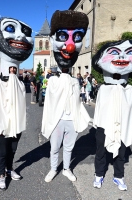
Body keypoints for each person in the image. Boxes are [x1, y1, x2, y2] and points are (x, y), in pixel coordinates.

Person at [0, 17, 34, 191]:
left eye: (14, 69)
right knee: (2, 153)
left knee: (12, 151)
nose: (12, 70)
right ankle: (1, 176)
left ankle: (10, 170)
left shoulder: (19, 84)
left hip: (15, 125)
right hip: (1, 126)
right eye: (10, 69)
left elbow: (21, 104)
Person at [42, 10, 90, 183]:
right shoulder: (53, 81)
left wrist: (84, 117)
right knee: (54, 148)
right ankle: (53, 169)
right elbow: (50, 101)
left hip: (71, 119)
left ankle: (66, 169)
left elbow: (78, 101)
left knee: (69, 148)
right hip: (57, 119)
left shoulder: (75, 81)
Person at [92, 40, 132, 191]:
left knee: (121, 153)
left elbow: (130, 109)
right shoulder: (104, 88)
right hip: (104, 125)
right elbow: (100, 108)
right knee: (100, 151)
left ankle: (118, 176)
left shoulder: (129, 89)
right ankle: (99, 174)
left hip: (123, 125)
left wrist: (128, 124)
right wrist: (99, 124)